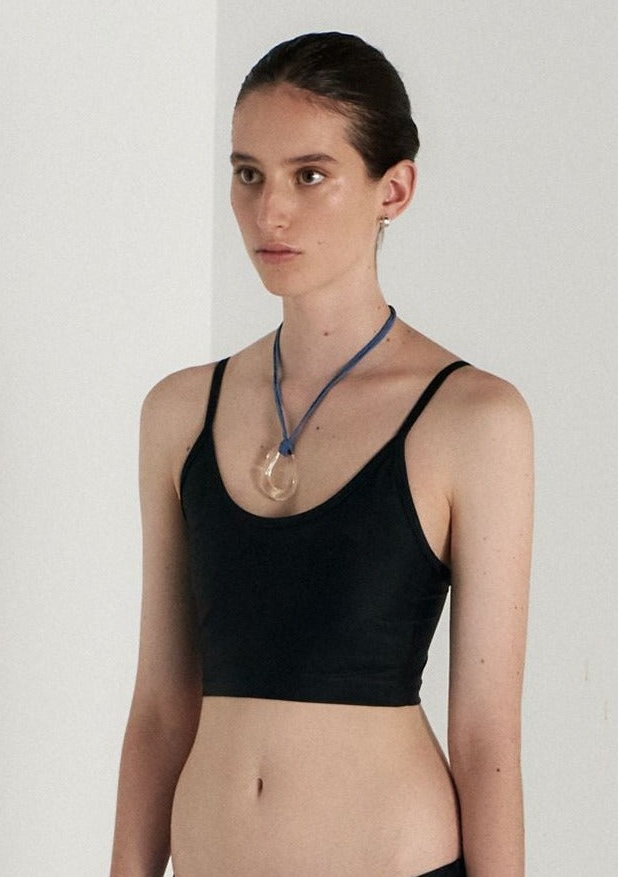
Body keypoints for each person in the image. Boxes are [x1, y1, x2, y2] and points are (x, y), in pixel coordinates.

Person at [109, 32, 532, 877]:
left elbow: (487, 735)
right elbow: (160, 707)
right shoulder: (180, 412)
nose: (269, 211)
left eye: (309, 175)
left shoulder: (474, 419)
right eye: (248, 174)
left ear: (393, 189)